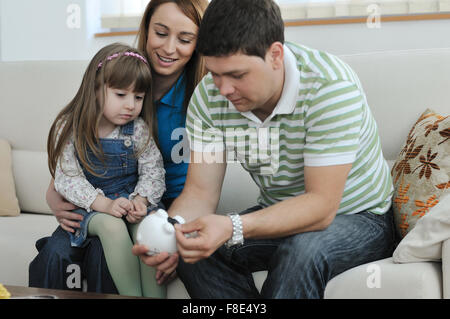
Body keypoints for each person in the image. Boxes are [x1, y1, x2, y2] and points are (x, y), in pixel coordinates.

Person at [133, 0, 396, 298]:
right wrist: (173, 233)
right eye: (215, 73)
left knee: (304, 249)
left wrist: (232, 226)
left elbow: (322, 206)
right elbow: (199, 194)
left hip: (358, 217)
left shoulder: (330, 88)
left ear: (275, 55)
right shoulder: (209, 97)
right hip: (277, 215)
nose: (223, 90)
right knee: (194, 250)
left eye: (237, 75)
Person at [29, 0, 208, 294]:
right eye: (161, 33)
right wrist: (58, 192)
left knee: (140, 237)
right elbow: (68, 171)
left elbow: (161, 175)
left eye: (185, 39)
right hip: (97, 206)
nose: (169, 48)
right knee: (72, 253)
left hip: (156, 207)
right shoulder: (120, 73)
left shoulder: (196, 101)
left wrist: (144, 202)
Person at [47, 43, 168, 297]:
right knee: (111, 226)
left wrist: (141, 200)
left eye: (138, 97)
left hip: (130, 200)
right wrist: (103, 204)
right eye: (121, 95)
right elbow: (67, 179)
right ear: (96, 89)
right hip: (92, 207)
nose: (130, 106)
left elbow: (153, 170)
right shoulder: (69, 128)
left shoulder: (137, 129)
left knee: (151, 229)